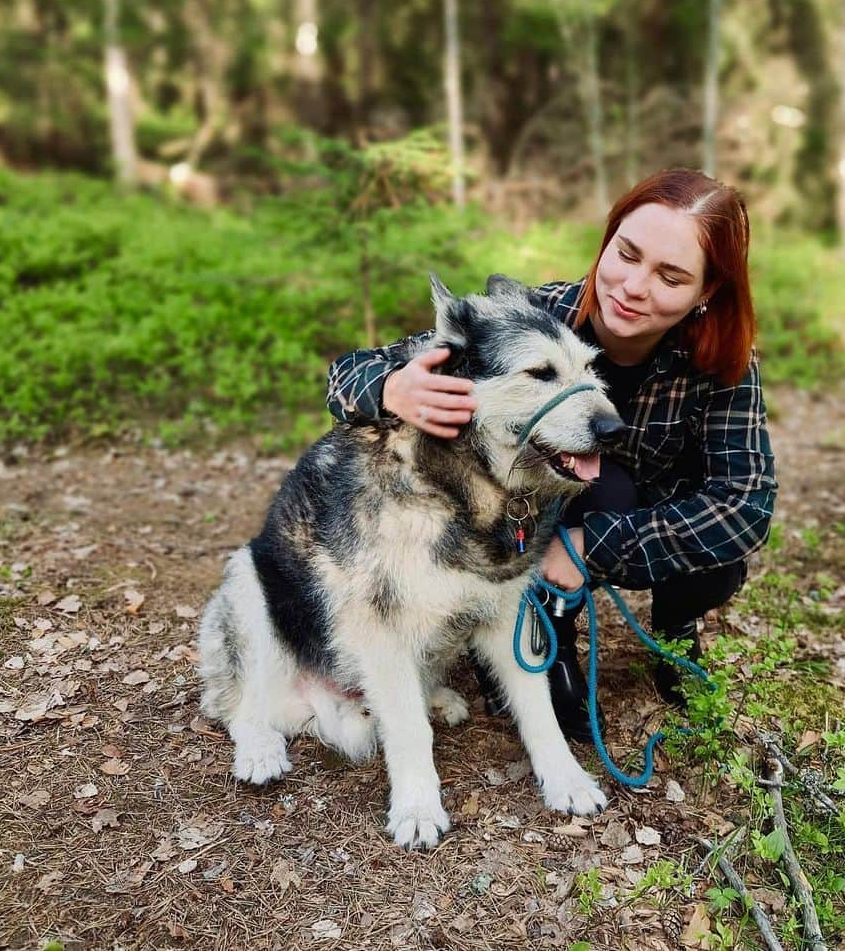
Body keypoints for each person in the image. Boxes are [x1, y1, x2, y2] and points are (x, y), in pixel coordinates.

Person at [326, 168, 777, 741]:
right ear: (608, 239)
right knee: (602, 486)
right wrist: (392, 387)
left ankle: (674, 630)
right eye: (627, 253)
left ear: (705, 292)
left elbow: (747, 503)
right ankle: (540, 630)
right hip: (532, 510)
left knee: (715, 557)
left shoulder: (723, 359)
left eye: (670, 275)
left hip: (648, 511)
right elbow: (347, 372)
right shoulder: (537, 319)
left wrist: (592, 546)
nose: (633, 286)